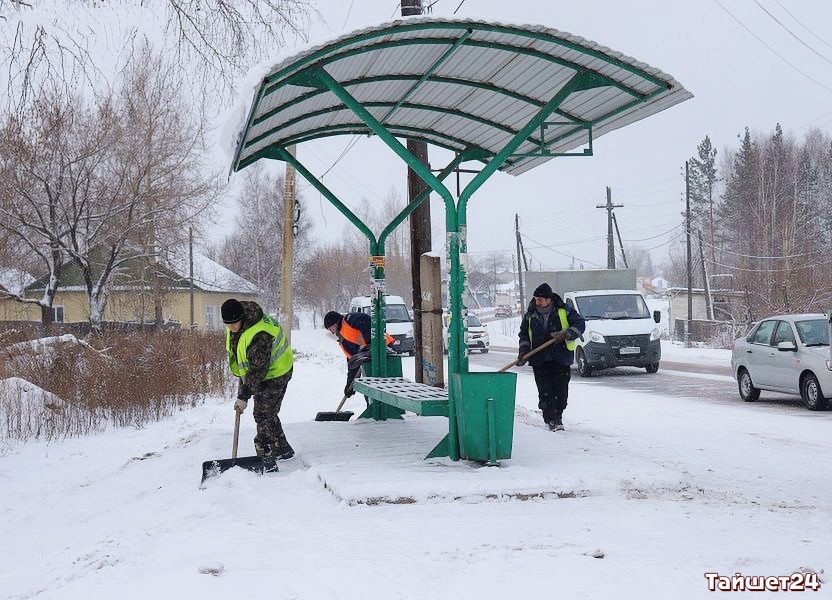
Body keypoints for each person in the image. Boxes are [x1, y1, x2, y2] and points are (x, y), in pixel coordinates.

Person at [222, 298, 295, 463]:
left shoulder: (259, 334)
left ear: (242, 317)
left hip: (277, 372)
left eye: (234, 323)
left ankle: (265, 457)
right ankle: (282, 448)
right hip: (261, 371)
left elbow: (258, 369)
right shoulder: (236, 323)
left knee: (263, 413)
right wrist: (243, 385)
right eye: (228, 324)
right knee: (268, 412)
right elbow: (244, 358)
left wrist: (243, 396)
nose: (231, 327)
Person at [518, 283, 585, 431]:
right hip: (539, 359)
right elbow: (524, 335)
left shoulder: (564, 310)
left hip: (560, 358)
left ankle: (558, 417)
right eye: (536, 299)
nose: (537, 302)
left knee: (561, 391)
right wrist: (523, 352)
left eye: (540, 299)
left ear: (549, 299)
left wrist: (568, 333)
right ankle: (550, 419)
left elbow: (580, 323)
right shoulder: (530, 315)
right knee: (545, 391)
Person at [323, 310, 394, 400]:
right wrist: (350, 384)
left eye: (330, 329)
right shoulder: (343, 340)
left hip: (384, 350)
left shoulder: (348, 320)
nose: (332, 332)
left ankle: (386, 407)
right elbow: (353, 362)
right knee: (369, 390)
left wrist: (369, 345)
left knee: (385, 387)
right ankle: (372, 407)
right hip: (371, 359)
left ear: (335, 323)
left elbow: (365, 319)